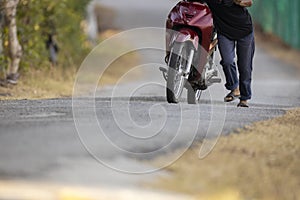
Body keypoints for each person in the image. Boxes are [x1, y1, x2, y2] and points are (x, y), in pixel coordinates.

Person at [203, 0, 255, 107]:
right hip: (224, 32)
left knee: (245, 67)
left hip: (244, 31)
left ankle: (244, 98)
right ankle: (234, 88)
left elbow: (249, 2)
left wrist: (239, 2)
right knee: (227, 61)